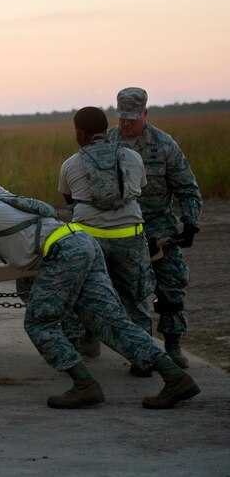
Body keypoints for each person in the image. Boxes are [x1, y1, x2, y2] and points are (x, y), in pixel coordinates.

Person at [0, 180, 200, 410]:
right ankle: (175, 377)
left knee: (39, 322)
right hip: (81, 244)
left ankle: (84, 384)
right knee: (109, 321)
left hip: (62, 253)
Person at [106, 87, 203, 368]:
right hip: (120, 227)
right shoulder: (107, 144)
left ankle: (173, 345)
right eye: (122, 118)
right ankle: (142, 352)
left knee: (171, 286)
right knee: (127, 293)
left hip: (160, 229)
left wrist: (191, 221)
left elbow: (187, 188)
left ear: (145, 114)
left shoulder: (163, 145)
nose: (126, 124)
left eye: (132, 119)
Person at [59, 106, 156, 375]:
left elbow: (70, 202)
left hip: (90, 242)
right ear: (106, 129)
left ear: (80, 133)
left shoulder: (71, 164)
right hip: (130, 238)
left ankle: (85, 347)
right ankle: (145, 360)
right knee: (135, 300)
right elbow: (139, 189)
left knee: (86, 295)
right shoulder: (132, 157)